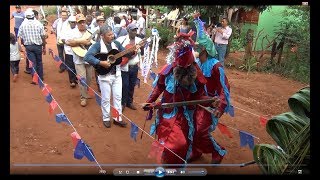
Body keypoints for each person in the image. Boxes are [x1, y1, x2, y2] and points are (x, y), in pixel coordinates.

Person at [141, 34, 219, 164]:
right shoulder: (168, 70)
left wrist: (211, 100)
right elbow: (158, 88)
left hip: (187, 116)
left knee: (184, 143)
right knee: (177, 143)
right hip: (168, 112)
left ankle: (173, 163)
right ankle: (170, 163)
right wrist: (149, 102)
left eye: (187, 66)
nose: (184, 68)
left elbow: (199, 96)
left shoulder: (196, 74)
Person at [188, 13, 232, 164]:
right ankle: (196, 151)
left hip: (211, 104)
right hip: (198, 101)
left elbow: (224, 88)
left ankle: (218, 151)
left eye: (198, 48)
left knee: (201, 130)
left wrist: (221, 105)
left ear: (205, 50)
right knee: (193, 127)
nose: (195, 50)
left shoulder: (216, 66)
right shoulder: (198, 63)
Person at [84, 25, 137, 128]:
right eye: (109, 35)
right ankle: (106, 118)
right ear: (102, 36)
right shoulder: (97, 46)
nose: (112, 36)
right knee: (106, 98)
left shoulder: (116, 44)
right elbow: (87, 57)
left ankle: (117, 118)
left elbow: (125, 54)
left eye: (112, 34)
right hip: (104, 76)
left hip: (117, 75)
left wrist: (133, 51)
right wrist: (100, 62)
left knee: (118, 97)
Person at [65, 14, 93, 107]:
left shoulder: (89, 32)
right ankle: (83, 98)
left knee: (89, 78)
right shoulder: (72, 32)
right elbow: (69, 42)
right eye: (80, 22)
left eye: (83, 22)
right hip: (78, 60)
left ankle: (86, 93)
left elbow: (93, 43)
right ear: (77, 23)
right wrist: (82, 41)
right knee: (82, 79)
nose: (82, 24)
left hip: (89, 59)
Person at [116, 23, 143, 111]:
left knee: (132, 85)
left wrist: (141, 47)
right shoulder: (121, 39)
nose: (134, 32)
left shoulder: (139, 40)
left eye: (135, 30)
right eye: (132, 30)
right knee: (124, 85)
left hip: (134, 66)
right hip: (124, 66)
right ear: (128, 31)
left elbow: (141, 53)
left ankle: (129, 102)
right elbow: (116, 49)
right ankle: (122, 103)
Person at [18, 9, 46, 83]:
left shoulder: (23, 24)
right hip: (38, 46)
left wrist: (21, 46)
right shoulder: (39, 24)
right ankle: (41, 77)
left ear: (26, 16)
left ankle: (35, 78)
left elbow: (19, 36)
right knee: (39, 61)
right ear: (34, 16)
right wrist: (44, 47)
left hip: (28, 46)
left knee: (33, 63)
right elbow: (43, 36)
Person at [60, 15, 78, 88]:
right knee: (70, 66)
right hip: (68, 51)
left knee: (76, 65)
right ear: (69, 22)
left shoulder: (78, 29)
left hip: (77, 51)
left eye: (74, 22)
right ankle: (72, 81)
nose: (73, 24)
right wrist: (67, 42)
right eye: (72, 22)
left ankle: (76, 78)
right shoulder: (65, 29)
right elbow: (62, 39)